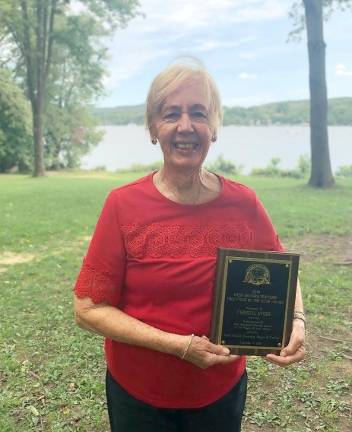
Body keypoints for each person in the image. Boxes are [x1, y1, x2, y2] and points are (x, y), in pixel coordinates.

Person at [73, 59, 305, 432]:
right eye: (170, 114)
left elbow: (281, 270)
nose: (186, 126)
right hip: (139, 396)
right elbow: (87, 309)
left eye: (199, 113)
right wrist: (178, 345)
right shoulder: (122, 205)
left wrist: (296, 320)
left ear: (213, 128)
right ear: (153, 128)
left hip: (220, 394)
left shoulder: (243, 203)